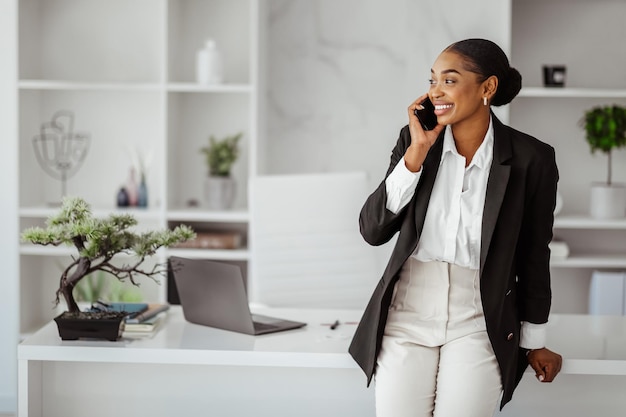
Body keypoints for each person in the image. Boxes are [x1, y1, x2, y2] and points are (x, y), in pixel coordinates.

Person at [348, 38, 563, 417]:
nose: (435, 92)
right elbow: (372, 230)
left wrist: (535, 341)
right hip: (407, 314)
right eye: (432, 81)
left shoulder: (532, 159)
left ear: (487, 88)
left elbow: (534, 253)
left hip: (478, 317)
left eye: (449, 80)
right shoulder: (413, 142)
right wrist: (416, 152)